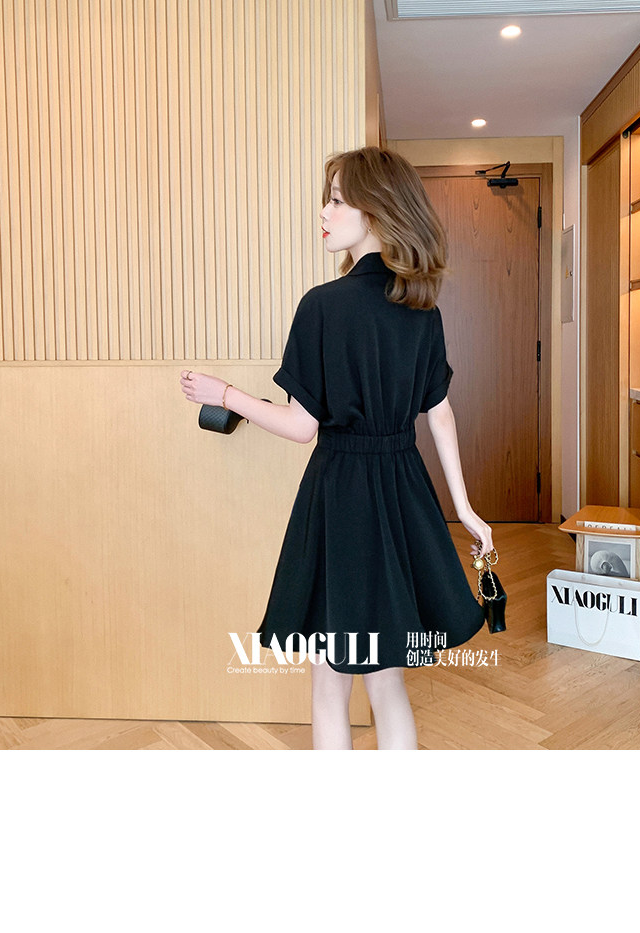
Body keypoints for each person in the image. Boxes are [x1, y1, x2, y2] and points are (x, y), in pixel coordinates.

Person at [180, 146, 493, 751]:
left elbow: (302, 427)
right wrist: (465, 508)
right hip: (403, 494)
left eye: (337, 200)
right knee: (387, 681)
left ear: (374, 210)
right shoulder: (422, 310)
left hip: (341, 497)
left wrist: (226, 395)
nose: (324, 212)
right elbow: (440, 414)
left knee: (330, 682)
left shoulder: (322, 305)